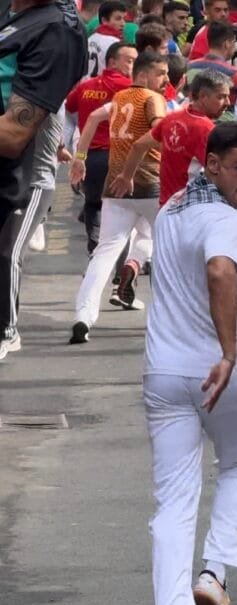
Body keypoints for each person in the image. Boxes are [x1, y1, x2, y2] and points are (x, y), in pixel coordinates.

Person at [143, 121, 237, 605]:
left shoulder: (171, 210)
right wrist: (231, 351)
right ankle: (214, 573)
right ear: (212, 165)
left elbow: (198, 279)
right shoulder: (228, 220)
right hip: (219, 374)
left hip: (162, 373)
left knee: (173, 504)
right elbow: (218, 270)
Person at [0, 0, 87, 361]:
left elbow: (13, 136)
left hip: (24, 183)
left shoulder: (57, 31)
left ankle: (6, 329)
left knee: (6, 253)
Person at [69, 51, 169, 343]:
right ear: (143, 75)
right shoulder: (153, 99)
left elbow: (91, 121)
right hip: (149, 185)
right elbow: (156, 134)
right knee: (164, 249)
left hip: (115, 190)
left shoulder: (120, 99)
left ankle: (83, 316)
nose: (165, 79)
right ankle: (164, 319)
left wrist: (79, 157)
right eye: (160, 73)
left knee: (105, 251)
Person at [111, 69, 230, 207]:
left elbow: (139, 145)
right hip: (189, 208)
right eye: (221, 97)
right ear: (203, 96)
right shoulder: (206, 130)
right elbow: (221, 174)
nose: (227, 102)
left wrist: (126, 176)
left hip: (166, 206)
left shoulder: (172, 118)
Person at [65, 42, 137, 257]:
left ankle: (94, 248)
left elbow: (68, 112)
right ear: (113, 61)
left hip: (90, 157)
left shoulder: (86, 87)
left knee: (93, 204)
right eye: (130, 60)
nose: (133, 65)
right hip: (121, 157)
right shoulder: (131, 88)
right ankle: (120, 264)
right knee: (124, 211)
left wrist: (72, 150)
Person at [88, 0, 128, 77]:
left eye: (124, 19)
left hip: (85, 86)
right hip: (103, 87)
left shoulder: (90, 39)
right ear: (104, 20)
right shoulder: (117, 45)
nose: (123, 24)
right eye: (118, 19)